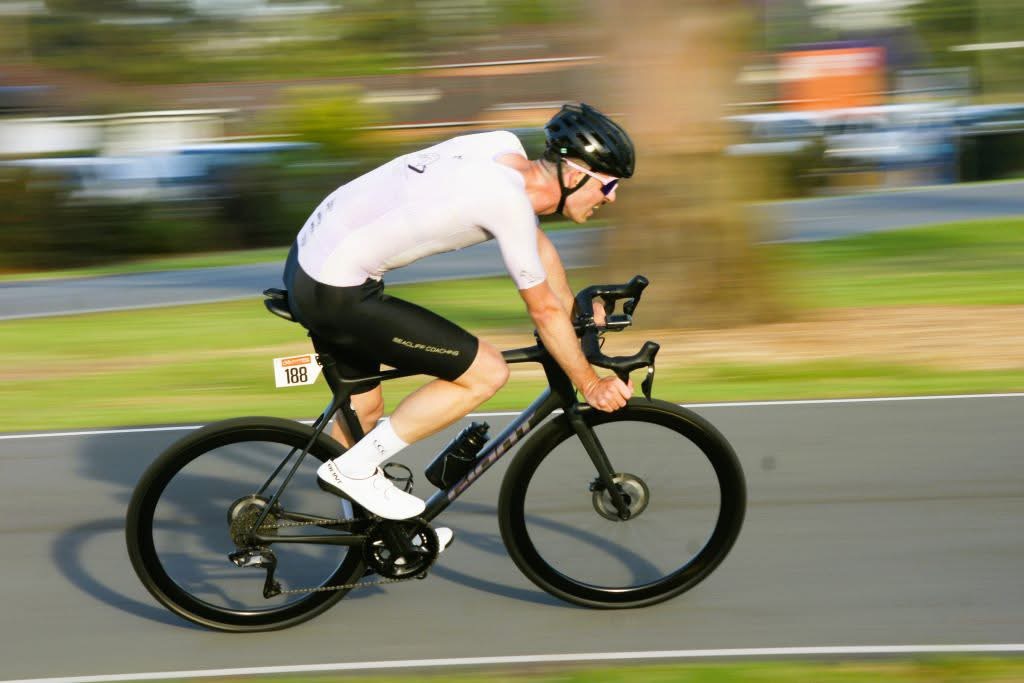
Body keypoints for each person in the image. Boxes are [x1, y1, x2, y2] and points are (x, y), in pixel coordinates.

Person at [283, 103, 636, 540]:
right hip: (335, 288)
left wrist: (575, 315)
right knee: (486, 372)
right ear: (574, 174)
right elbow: (542, 309)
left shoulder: (502, 149)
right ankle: (354, 471)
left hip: (311, 260)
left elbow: (539, 252)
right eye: (609, 184)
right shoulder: (505, 200)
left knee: (364, 411)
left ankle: (364, 536)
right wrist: (590, 383)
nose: (612, 197)